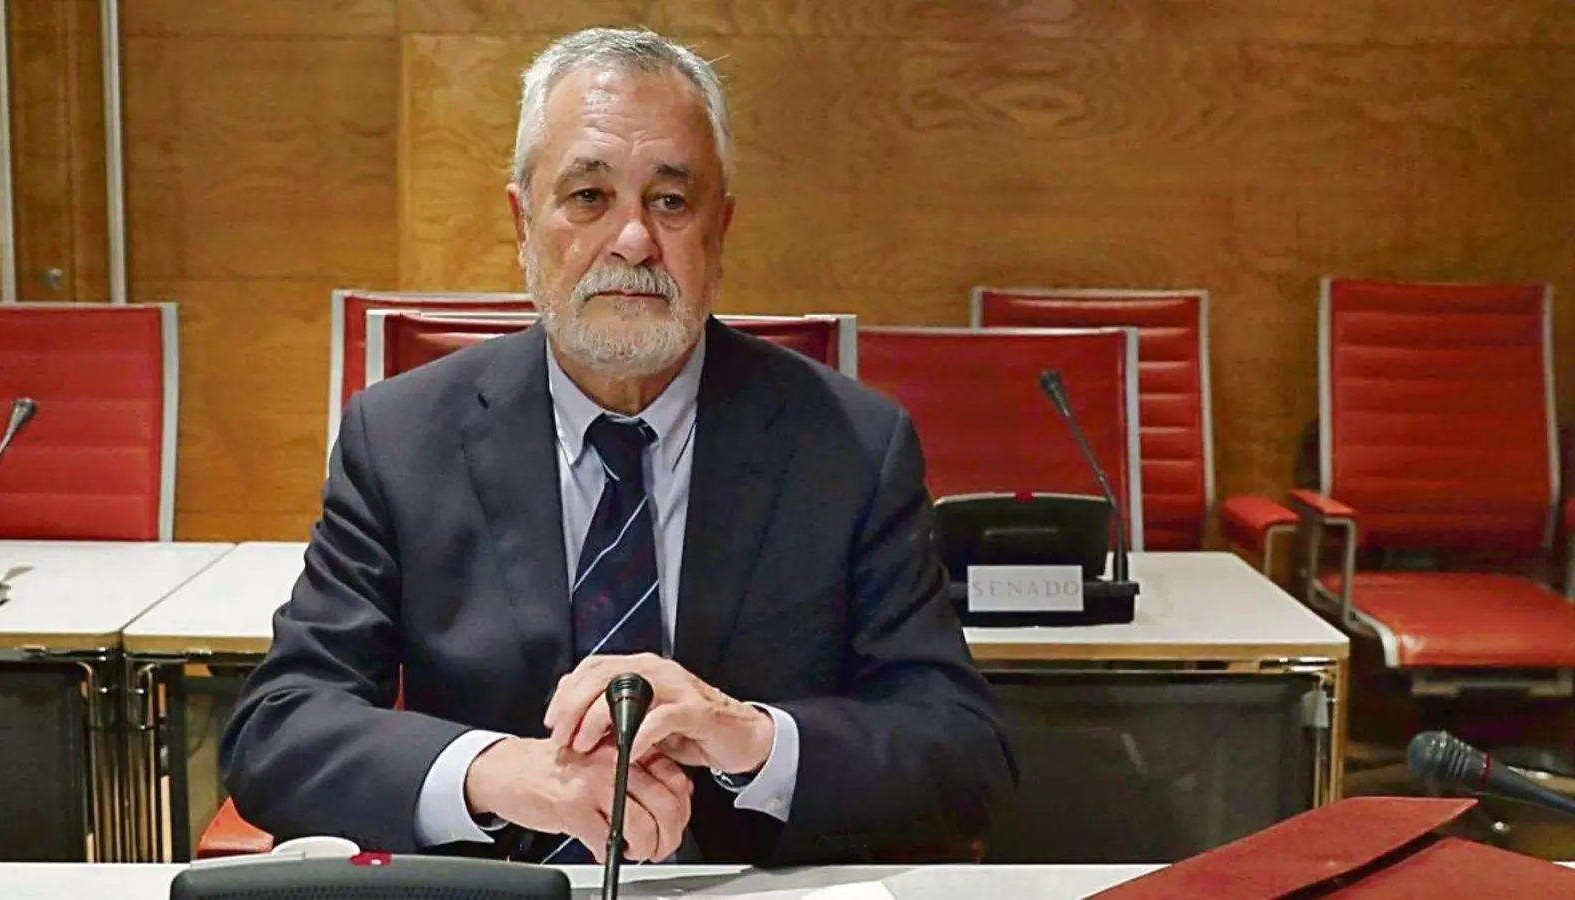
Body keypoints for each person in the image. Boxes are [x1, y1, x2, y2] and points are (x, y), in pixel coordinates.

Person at [219, 26, 1016, 867]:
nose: (633, 240)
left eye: (670, 201)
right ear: (523, 223)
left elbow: (964, 752)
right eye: (589, 196)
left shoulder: (851, 447)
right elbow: (279, 729)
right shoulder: (399, 440)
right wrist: (495, 772)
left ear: (721, 229)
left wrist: (755, 739)